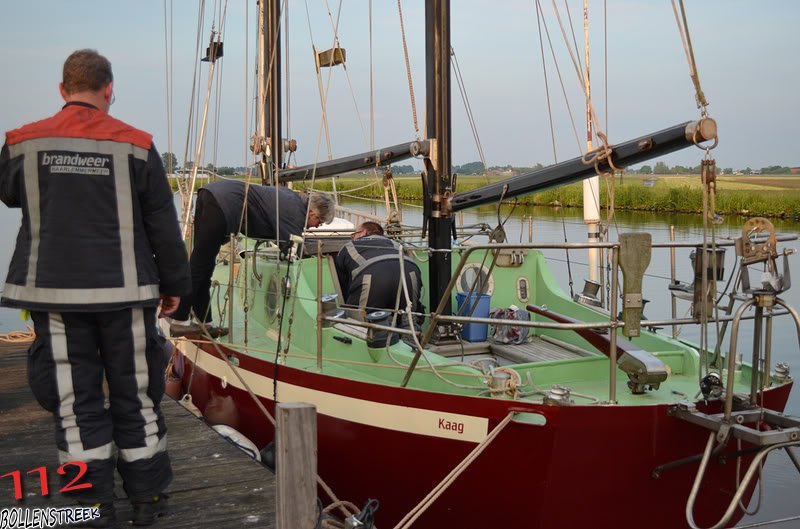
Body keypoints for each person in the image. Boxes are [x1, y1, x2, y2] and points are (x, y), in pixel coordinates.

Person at [0, 50, 190, 527]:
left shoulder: (21, 143)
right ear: (110, 90)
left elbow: (8, 194)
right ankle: (147, 501)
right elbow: (164, 229)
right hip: (126, 294)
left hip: (56, 296)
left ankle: (91, 505)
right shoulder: (139, 146)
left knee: (74, 401)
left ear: (62, 91)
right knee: (137, 395)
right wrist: (175, 287)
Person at [170, 179, 334, 335]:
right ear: (312, 211)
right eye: (319, 220)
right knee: (200, 267)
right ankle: (179, 321)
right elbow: (292, 249)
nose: (318, 225)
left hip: (211, 194)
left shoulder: (292, 199)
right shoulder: (296, 212)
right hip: (223, 202)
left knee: (204, 267)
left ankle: (204, 323)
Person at [334, 221, 424, 323]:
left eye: (354, 234)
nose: (353, 237)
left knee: (360, 325)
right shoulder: (397, 244)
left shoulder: (349, 247)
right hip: (409, 272)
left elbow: (343, 282)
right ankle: (408, 335)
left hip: (371, 276)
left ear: (363, 232)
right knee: (407, 319)